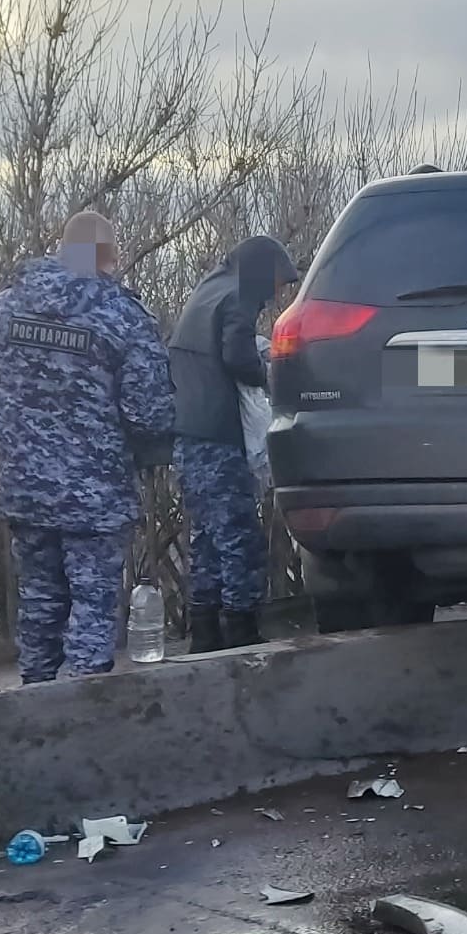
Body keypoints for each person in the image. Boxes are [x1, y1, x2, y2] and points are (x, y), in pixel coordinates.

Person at [0, 211, 175, 683]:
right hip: (95, 493)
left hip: (26, 487)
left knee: (39, 602)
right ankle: (81, 711)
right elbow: (148, 412)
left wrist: (24, 433)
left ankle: (33, 702)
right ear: (109, 256)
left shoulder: (7, 306)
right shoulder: (121, 315)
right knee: (93, 606)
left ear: (62, 250)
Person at [167, 235, 300, 652]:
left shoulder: (208, 289)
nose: (277, 293)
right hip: (221, 436)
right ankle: (241, 631)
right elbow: (238, 357)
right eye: (278, 283)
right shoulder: (239, 295)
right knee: (240, 538)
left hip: (189, 434)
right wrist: (270, 373)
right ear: (262, 272)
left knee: (206, 539)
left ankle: (204, 633)